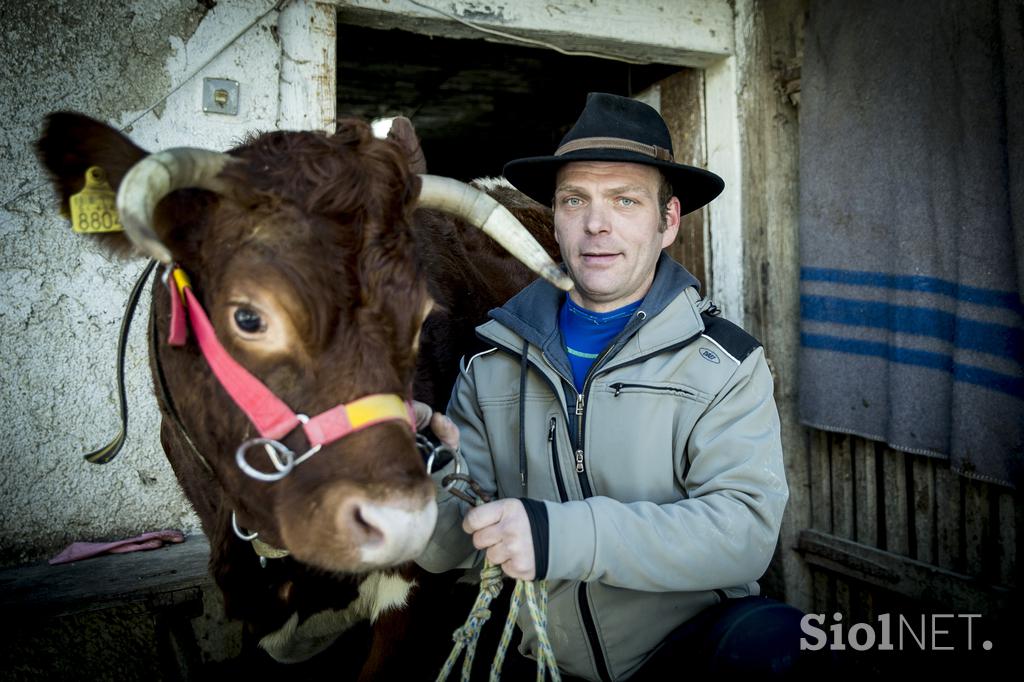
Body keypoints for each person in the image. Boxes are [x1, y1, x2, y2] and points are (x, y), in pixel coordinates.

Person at [416, 92, 803, 680]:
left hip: (686, 650)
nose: (597, 224)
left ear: (667, 221)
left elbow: (743, 534)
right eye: (576, 200)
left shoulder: (724, 363)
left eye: (625, 201)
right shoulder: (490, 359)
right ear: (555, 218)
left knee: (779, 645)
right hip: (544, 657)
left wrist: (562, 535)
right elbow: (449, 548)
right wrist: (421, 473)